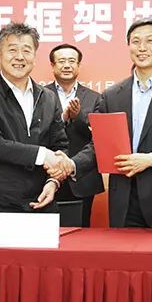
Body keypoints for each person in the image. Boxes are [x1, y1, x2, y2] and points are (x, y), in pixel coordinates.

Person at [68, 19, 152, 228]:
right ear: (129, 46)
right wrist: (72, 164)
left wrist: (151, 159)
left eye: (149, 41)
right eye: (136, 42)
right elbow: (100, 144)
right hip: (125, 200)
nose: (142, 48)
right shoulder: (112, 95)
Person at [0, 23, 69, 224]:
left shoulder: (48, 97)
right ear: (0, 54)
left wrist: (53, 181)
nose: (20, 57)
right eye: (12, 50)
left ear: (35, 56)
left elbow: (60, 145)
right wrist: (42, 155)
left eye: (26, 50)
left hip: (42, 202)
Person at [45, 43, 104, 226]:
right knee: (48, 231)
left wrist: (78, 117)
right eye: (61, 61)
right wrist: (63, 118)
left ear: (78, 65)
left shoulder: (96, 98)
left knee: (81, 231)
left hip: (83, 176)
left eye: (71, 61)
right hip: (48, 174)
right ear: (53, 65)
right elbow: (36, 132)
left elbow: (99, 137)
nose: (67, 65)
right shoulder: (41, 95)